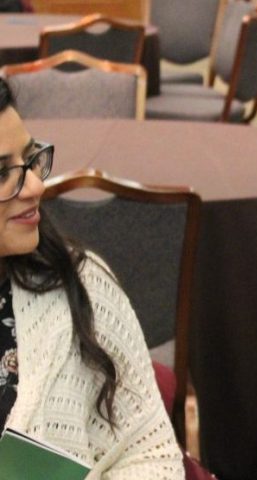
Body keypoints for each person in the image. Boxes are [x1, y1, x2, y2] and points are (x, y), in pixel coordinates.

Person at [0, 78, 184, 477]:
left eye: (31, 160)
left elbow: (154, 455)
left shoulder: (80, 285)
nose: (35, 185)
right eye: (2, 174)